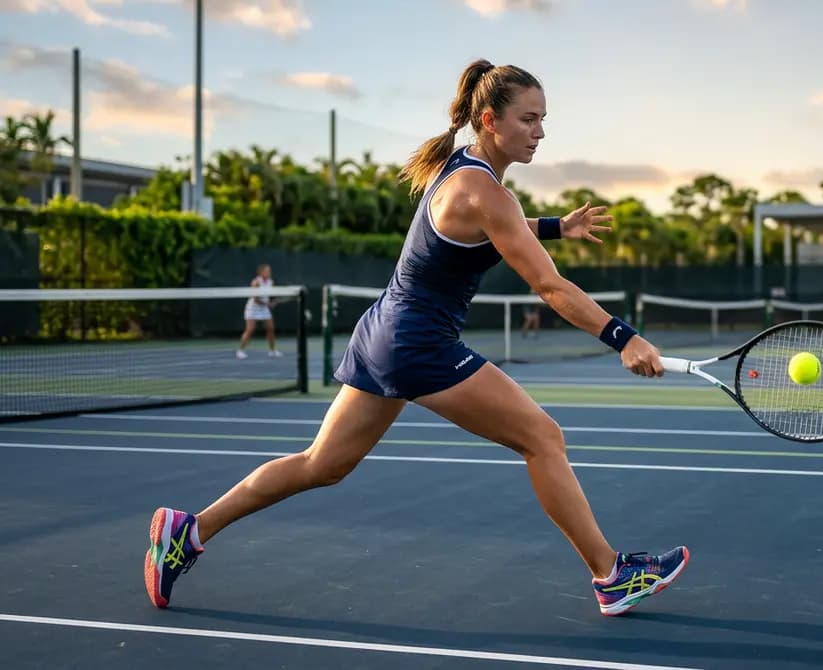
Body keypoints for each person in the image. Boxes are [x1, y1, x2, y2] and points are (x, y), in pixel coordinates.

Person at [144, 60, 688, 617]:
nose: (540, 132)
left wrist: (554, 226)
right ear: (490, 120)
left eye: (544, 119)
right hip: (419, 343)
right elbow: (547, 284)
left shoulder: (461, 167)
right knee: (542, 439)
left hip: (385, 332)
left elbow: (487, 227)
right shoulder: (488, 193)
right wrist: (623, 337)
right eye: (528, 120)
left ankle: (189, 531)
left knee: (322, 465)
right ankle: (609, 574)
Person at [236, 264, 282, 359]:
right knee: (250, 330)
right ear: (261, 273)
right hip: (253, 308)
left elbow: (272, 296)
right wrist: (267, 304)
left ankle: (272, 351)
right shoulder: (256, 282)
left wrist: (274, 301)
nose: (269, 273)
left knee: (270, 329)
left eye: (270, 271)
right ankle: (240, 351)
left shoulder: (271, 282)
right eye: (267, 271)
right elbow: (255, 298)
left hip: (264, 308)